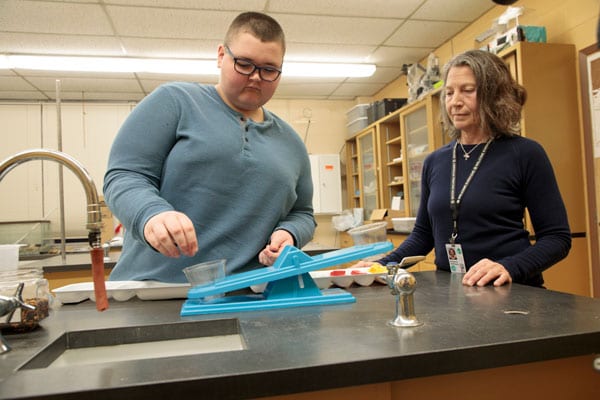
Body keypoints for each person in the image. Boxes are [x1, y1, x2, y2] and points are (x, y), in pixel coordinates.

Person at [103, 11, 316, 283]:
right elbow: (124, 176)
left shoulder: (291, 141)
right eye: (244, 63)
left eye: (269, 69)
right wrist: (151, 214)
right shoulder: (174, 102)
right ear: (220, 55)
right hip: (155, 291)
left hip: (249, 295)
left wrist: (289, 234)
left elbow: (302, 213)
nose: (255, 77)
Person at [355, 49, 571, 288]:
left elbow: (557, 238)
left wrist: (508, 266)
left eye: (467, 91)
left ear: (494, 95)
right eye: (449, 93)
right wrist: (383, 266)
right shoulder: (435, 161)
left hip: (512, 292)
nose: (455, 102)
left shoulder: (526, 153)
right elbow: (423, 235)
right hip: (452, 293)